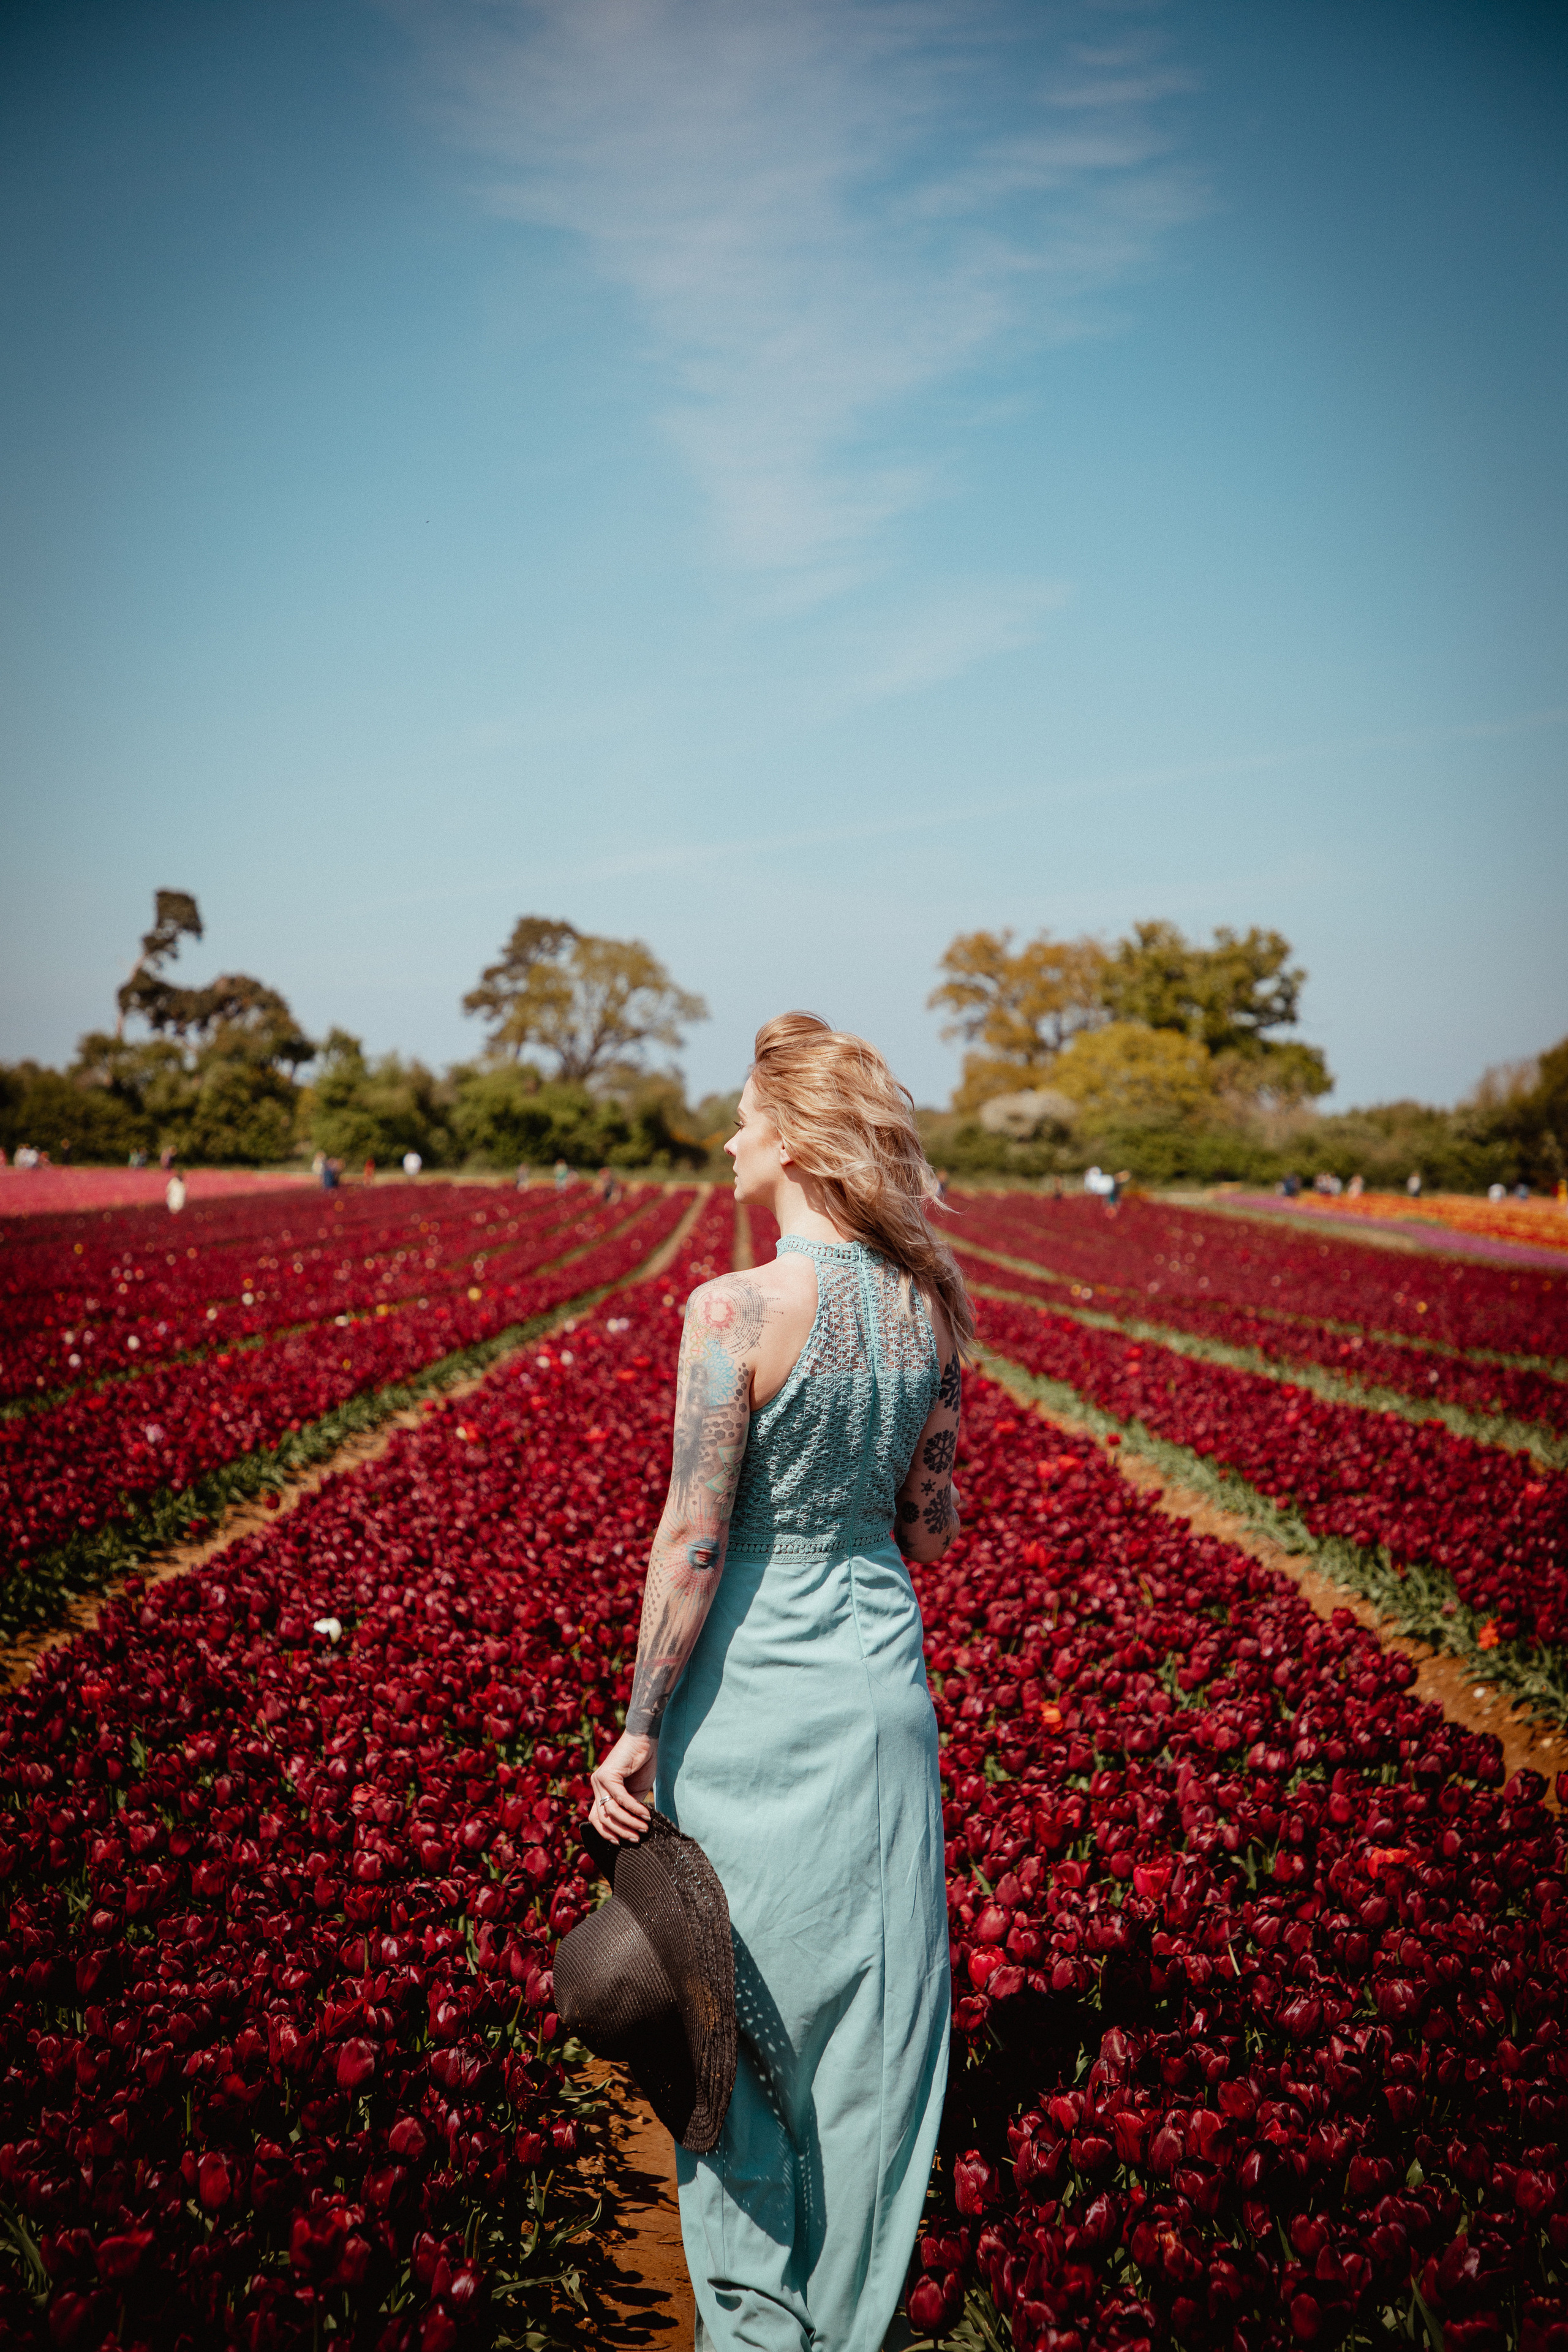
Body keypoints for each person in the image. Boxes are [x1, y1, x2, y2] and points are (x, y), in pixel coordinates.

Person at [589, 1012, 967, 2352]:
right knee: (869, 2028)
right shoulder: (927, 1308)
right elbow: (928, 1534)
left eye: (747, 1114)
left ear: (797, 1139)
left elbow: (692, 1540)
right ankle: (851, 2320)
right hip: (875, 1689)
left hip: (746, 1693)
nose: (730, 1136)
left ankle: (753, 2314)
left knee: (725, 2009)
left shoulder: (732, 1309)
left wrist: (636, 1730)